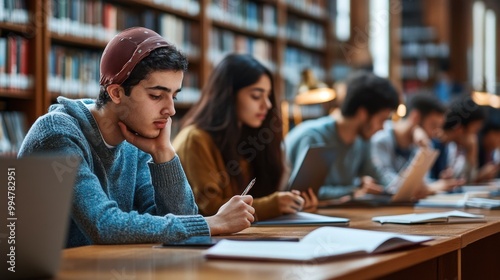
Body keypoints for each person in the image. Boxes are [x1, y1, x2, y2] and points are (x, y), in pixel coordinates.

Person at [18, 27, 255, 248]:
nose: (170, 110)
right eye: (156, 96)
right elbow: (104, 226)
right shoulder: (57, 133)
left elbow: (175, 226)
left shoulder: (136, 137)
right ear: (117, 92)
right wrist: (210, 223)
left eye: (174, 96)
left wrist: (164, 155)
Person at [173, 54, 318, 221]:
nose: (268, 105)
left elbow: (259, 197)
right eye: (256, 96)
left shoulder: (251, 138)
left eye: (268, 96)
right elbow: (209, 209)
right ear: (228, 96)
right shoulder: (194, 139)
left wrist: (291, 205)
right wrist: (273, 205)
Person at [285, 70, 400, 200]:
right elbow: (304, 192)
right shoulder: (313, 137)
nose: (383, 127)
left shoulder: (362, 140)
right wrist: (352, 191)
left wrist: (402, 187)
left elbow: (377, 175)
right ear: (363, 114)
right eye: (381, 120)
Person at [370, 93, 462, 196]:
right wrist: (432, 187)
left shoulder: (423, 143)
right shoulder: (380, 138)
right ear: (415, 117)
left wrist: (438, 183)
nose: (436, 133)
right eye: (433, 125)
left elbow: (421, 183)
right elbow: (390, 185)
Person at [430, 95, 486, 183]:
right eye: (474, 131)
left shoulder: (454, 146)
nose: (474, 137)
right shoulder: (434, 145)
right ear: (459, 129)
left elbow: (467, 180)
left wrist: (471, 152)